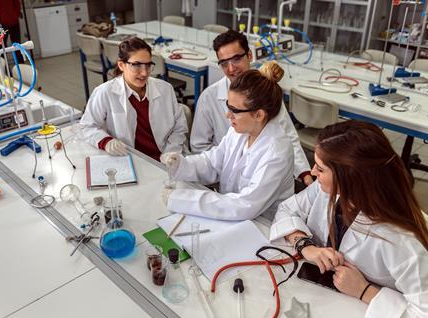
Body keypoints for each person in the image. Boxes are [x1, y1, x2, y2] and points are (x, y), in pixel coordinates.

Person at [270, 120, 428, 318]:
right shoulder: (329, 190)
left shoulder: (402, 241)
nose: (312, 173)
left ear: (349, 178)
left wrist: (365, 291)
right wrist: (306, 246)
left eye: (320, 168)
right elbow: (287, 210)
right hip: (328, 298)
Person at [160, 63, 294, 221]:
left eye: (235, 110)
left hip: (263, 226)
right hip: (230, 215)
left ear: (259, 115)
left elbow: (244, 205)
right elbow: (213, 162)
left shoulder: (277, 152)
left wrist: (181, 199)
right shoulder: (240, 131)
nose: (227, 115)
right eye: (228, 106)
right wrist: (181, 164)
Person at [190, 30, 313, 185]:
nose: (231, 69)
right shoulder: (209, 97)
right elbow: (199, 146)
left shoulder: (265, 92)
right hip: (222, 176)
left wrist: (304, 174)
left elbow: (287, 134)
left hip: (264, 172)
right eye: (224, 63)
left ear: (249, 55)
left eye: (236, 59)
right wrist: (225, 172)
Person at [80, 37, 188, 161]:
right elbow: (87, 126)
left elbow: (179, 127)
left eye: (148, 65)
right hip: (130, 159)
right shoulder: (105, 92)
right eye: (136, 65)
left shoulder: (165, 89)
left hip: (166, 157)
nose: (144, 73)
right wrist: (106, 141)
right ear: (121, 65)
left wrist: (171, 152)